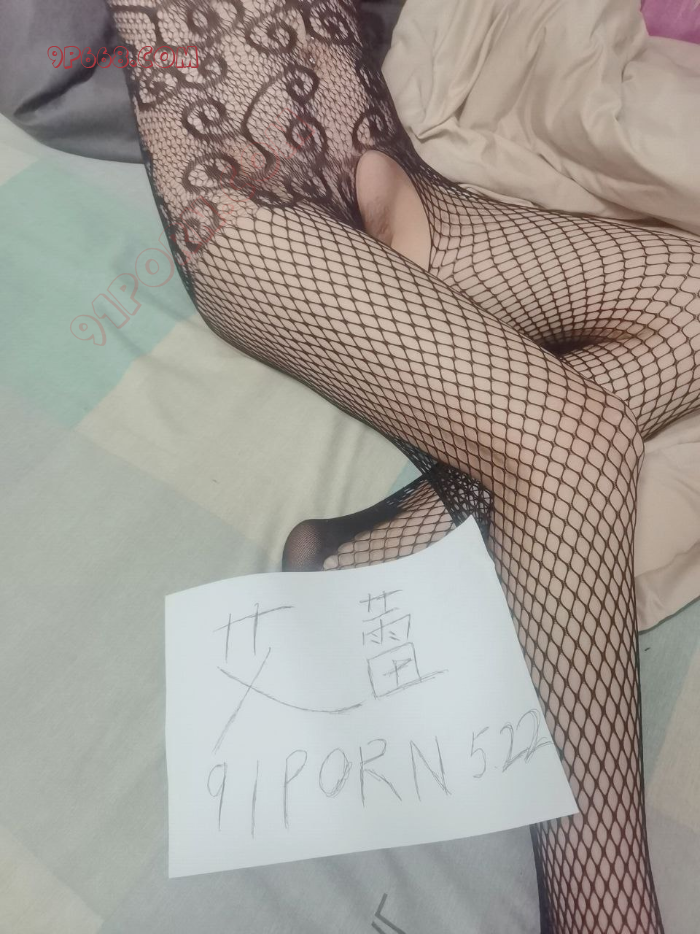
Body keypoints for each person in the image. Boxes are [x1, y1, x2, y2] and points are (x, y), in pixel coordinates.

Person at [105, 1, 700, 929]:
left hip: (387, 170)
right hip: (245, 207)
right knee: (574, 442)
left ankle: (379, 546)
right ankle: (600, 908)